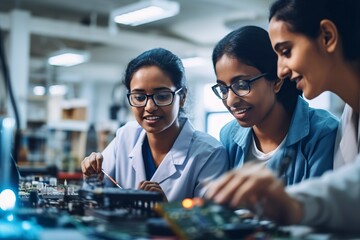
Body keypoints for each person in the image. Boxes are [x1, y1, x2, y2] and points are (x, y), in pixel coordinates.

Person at [206, 0, 360, 233]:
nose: (281, 71)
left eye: (286, 51)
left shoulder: (327, 131)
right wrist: (291, 206)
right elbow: (350, 193)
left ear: (327, 36)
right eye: (224, 88)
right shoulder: (351, 117)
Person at [81, 48, 229, 201]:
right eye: (139, 97)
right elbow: (96, 196)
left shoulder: (210, 154)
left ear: (182, 97)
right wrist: (92, 179)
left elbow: (210, 220)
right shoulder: (126, 136)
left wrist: (166, 209)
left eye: (162, 96)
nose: (149, 107)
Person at [211, 25, 338, 185]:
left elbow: (319, 206)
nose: (230, 101)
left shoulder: (322, 133)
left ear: (277, 80)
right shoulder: (228, 135)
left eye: (242, 85)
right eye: (223, 89)